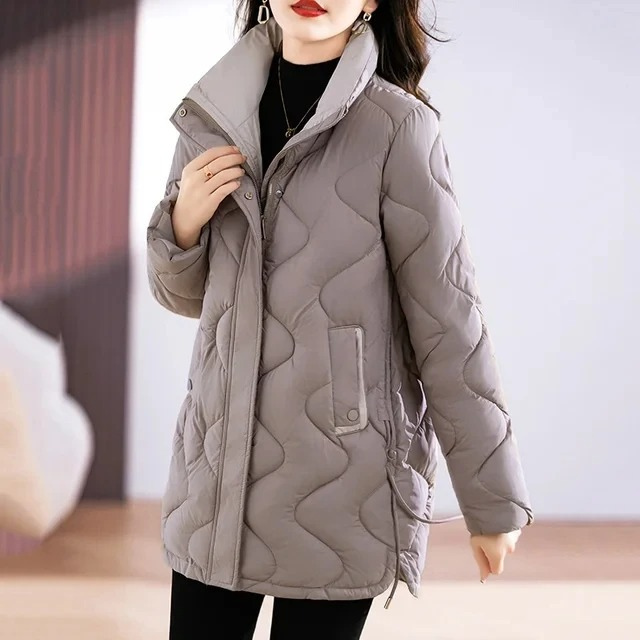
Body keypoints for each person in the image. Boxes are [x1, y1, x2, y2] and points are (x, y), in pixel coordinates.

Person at [146, 1, 535, 638]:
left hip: (340, 480)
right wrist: (181, 224)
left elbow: (448, 320)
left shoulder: (397, 127)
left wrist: (492, 501)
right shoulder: (211, 113)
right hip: (214, 476)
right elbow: (187, 299)